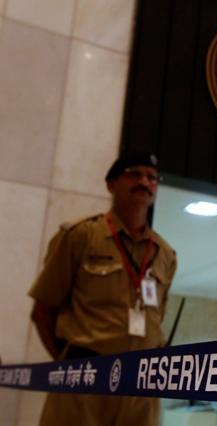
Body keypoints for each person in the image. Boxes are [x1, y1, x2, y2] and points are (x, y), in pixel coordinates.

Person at [29, 153, 177, 426]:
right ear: (111, 184)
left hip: (141, 390)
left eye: (152, 177)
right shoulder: (80, 236)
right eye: (134, 174)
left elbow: (155, 319)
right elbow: (43, 310)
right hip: (85, 383)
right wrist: (69, 366)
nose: (145, 181)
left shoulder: (165, 254)